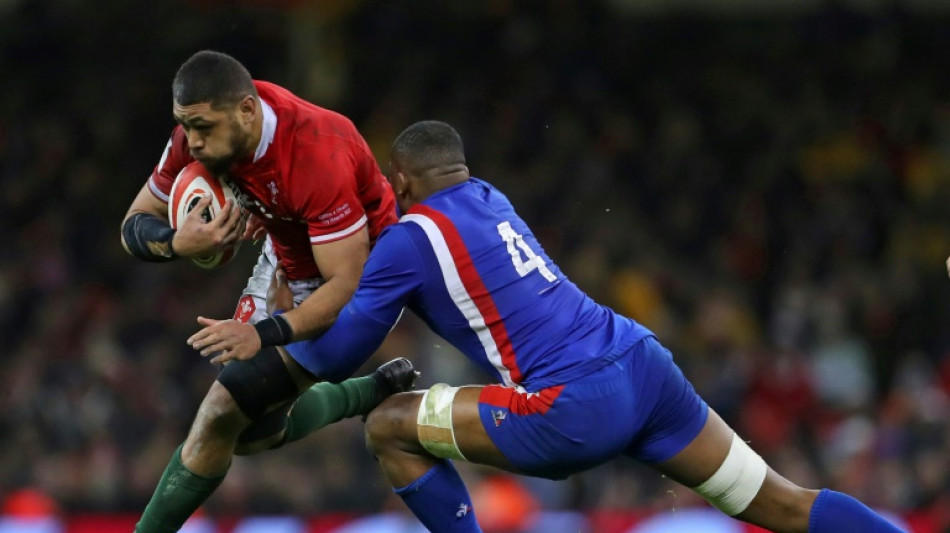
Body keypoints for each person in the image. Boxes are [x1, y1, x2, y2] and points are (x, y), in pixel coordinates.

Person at [201, 120, 906, 532]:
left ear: (402, 181)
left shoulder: (410, 238)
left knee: (389, 424)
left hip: (573, 404)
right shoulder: (489, 197)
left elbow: (346, 346)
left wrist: (271, 346)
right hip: (642, 363)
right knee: (784, 504)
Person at [119, 50, 418, 533]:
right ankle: (366, 393)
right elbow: (133, 224)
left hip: (365, 284)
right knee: (250, 435)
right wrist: (176, 242)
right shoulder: (197, 132)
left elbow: (347, 282)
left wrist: (266, 333)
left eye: (202, 127)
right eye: (184, 126)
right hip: (288, 248)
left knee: (218, 414)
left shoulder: (316, 151)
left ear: (246, 111)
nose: (191, 141)